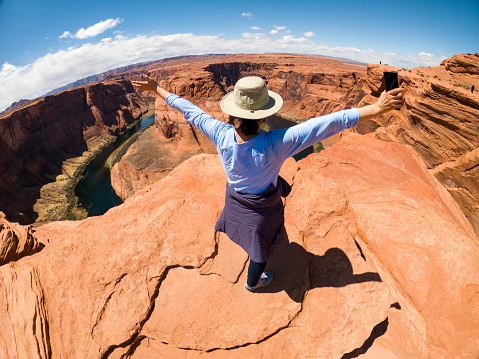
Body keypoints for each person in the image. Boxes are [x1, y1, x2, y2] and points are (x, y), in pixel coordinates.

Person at [131, 74, 404, 291]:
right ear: (262, 116)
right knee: (260, 253)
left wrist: (157, 89)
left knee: (252, 234)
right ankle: (252, 283)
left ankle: (248, 257)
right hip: (263, 209)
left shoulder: (220, 134)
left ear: (234, 113)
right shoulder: (278, 142)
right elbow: (328, 123)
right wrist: (377, 108)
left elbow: (189, 110)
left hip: (235, 200)